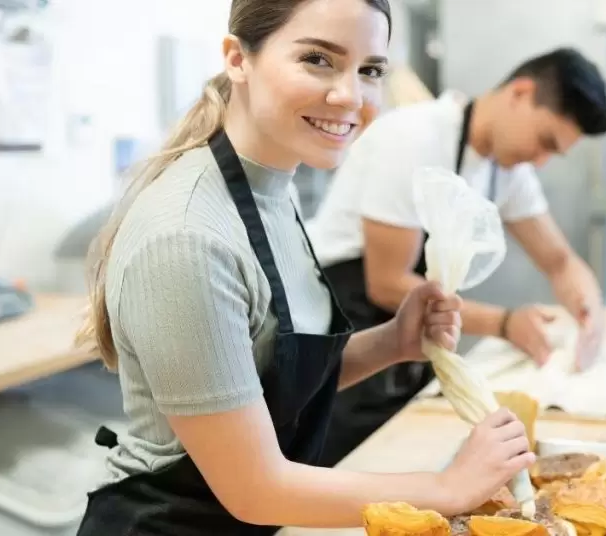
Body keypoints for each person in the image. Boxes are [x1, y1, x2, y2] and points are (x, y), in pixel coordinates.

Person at [72, 1, 535, 534]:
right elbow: (255, 487)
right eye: (317, 59)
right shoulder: (187, 238)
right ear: (237, 59)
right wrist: (446, 488)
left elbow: (261, 383)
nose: (350, 96)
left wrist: (392, 342)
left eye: (371, 70)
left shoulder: (272, 192)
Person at [306, 47, 606, 467]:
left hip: (409, 345)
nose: (540, 162)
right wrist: (505, 324)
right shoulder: (413, 137)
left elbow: (559, 260)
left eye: (552, 154)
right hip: (347, 334)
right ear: (520, 93)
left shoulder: (506, 169)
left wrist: (588, 310)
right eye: (544, 142)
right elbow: (388, 282)